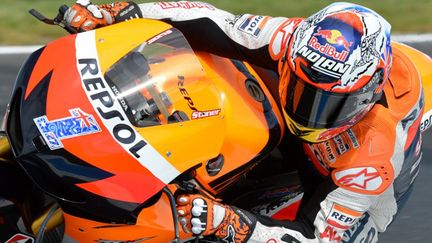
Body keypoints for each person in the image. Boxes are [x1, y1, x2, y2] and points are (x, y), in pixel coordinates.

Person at [63, 1, 425, 242]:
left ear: (366, 93)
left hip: (338, 186)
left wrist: (234, 225)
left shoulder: (372, 162)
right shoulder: (295, 40)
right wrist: (127, 11)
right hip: (293, 131)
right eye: (301, 88)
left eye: (328, 104)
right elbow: (214, 21)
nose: (308, 109)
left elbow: (315, 239)